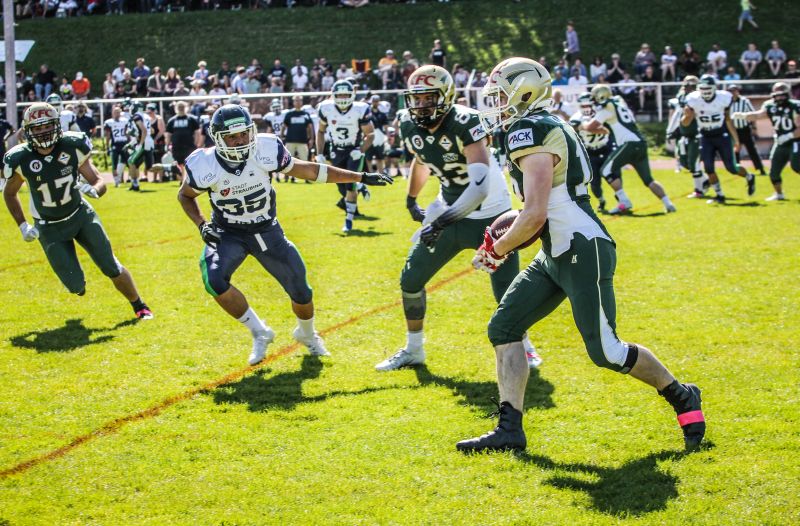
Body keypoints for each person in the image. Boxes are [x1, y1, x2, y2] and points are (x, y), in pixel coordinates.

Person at [456, 57, 705, 453]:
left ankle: (681, 394)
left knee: (606, 351)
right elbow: (532, 209)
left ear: (524, 91)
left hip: (580, 248)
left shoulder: (530, 128)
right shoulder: (540, 124)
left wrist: (497, 251)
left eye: (502, 94)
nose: (497, 103)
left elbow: (536, 212)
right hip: (557, 250)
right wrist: (495, 241)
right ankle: (509, 430)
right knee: (503, 328)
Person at [177, 104, 392, 365]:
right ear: (217, 138)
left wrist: (360, 176)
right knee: (214, 280)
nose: (240, 141)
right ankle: (260, 332)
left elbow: (311, 171)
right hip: (228, 232)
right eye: (232, 137)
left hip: (267, 230)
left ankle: (307, 333)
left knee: (301, 290)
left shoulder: (266, 149)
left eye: (244, 134)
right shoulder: (204, 164)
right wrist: (202, 225)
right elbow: (185, 195)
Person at [375, 65, 541, 372]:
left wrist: (438, 223)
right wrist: (411, 199)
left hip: (490, 216)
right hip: (448, 207)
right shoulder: (409, 125)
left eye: (428, 98)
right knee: (411, 280)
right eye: (417, 99)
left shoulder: (466, 121)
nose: (421, 106)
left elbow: (479, 190)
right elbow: (422, 159)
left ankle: (526, 347)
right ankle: (414, 350)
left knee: (506, 291)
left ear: (446, 96)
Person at [3, 103, 153, 320]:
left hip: (80, 215)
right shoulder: (20, 158)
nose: (43, 132)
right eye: (37, 128)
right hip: (48, 226)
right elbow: (9, 193)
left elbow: (98, 180)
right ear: (28, 131)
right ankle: (77, 283)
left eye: (47, 126)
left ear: (56, 126)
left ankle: (139, 305)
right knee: (75, 286)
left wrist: (94, 190)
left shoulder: (72, 146)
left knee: (111, 265)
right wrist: (22, 224)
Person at [582, 84, 676, 214]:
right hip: (640, 143)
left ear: (600, 97)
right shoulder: (620, 103)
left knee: (605, 170)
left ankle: (624, 201)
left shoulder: (606, 109)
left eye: (595, 98)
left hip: (629, 145)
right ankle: (668, 203)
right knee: (648, 179)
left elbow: (590, 127)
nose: (594, 101)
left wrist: (583, 125)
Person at [681, 75, 757, 204]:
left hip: (721, 135)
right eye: (702, 88)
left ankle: (749, 177)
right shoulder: (693, 99)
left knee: (731, 168)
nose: (705, 92)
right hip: (705, 136)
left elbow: (728, 119)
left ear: (714, 88)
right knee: (708, 168)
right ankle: (719, 195)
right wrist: (687, 116)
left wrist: (736, 140)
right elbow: (685, 123)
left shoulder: (724, 98)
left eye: (707, 88)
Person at [315, 80, 375, 233]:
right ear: (333, 95)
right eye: (339, 94)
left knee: (349, 185)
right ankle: (361, 186)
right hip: (336, 150)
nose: (342, 98)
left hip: (353, 151)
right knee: (340, 185)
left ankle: (348, 220)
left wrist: (360, 150)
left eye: (345, 94)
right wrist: (320, 153)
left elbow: (370, 134)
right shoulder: (326, 108)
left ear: (352, 94)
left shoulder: (359, 109)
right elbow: (320, 132)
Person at [732, 83, 800, 201]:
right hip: (780, 142)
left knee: (796, 166)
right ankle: (779, 194)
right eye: (777, 96)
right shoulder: (770, 105)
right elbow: (758, 115)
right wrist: (743, 116)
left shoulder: (795, 106)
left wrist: (788, 135)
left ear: (787, 94)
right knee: (774, 171)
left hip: (796, 141)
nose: (779, 98)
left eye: (781, 96)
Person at [569, 92, 619, 212]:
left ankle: (621, 200)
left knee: (614, 176)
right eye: (583, 106)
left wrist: (588, 127)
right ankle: (601, 200)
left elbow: (607, 130)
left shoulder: (601, 115)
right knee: (595, 183)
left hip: (606, 149)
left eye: (588, 105)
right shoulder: (576, 117)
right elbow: (573, 129)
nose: (586, 108)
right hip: (590, 152)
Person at [666, 76, 708, 198]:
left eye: (690, 85)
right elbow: (678, 115)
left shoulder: (700, 99)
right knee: (684, 162)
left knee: (694, 163)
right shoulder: (682, 97)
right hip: (684, 134)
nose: (686, 87)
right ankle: (706, 181)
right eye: (685, 84)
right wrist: (672, 130)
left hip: (696, 134)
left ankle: (699, 190)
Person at [728, 85, 766, 177]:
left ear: (738, 91)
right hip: (734, 130)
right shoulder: (728, 102)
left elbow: (752, 114)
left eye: (734, 91)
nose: (733, 93)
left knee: (751, 149)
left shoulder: (745, 101)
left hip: (745, 129)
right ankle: (737, 169)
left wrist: (754, 128)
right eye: (731, 91)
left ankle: (760, 169)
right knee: (736, 150)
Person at [282, 95, 315, 182]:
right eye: (296, 100)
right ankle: (288, 177)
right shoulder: (289, 114)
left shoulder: (305, 114)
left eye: (299, 100)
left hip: (303, 141)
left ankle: (307, 178)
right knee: (288, 161)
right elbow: (284, 126)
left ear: (302, 102)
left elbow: (310, 127)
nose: (298, 102)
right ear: (293, 102)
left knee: (304, 161)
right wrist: (282, 136)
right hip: (290, 141)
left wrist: (311, 139)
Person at [165, 101, 201, 178]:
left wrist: (197, 143)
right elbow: (168, 134)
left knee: (189, 163)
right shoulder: (172, 120)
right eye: (179, 107)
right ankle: (182, 180)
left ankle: (188, 179)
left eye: (182, 107)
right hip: (177, 146)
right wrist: (167, 145)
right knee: (179, 163)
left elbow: (197, 132)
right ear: (176, 108)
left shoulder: (192, 119)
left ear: (186, 108)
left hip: (189, 145)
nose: (181, 109)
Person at [123, 100, 150, 192]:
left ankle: (135, 184)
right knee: (134, 163)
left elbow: (144, 131)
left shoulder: (137, 116)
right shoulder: (143, 116)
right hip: (141, 142)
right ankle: (134, 184)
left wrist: (140, 144)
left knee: (131, 161)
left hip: (142, 143)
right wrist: (130, 143)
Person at [104, 105, 129, 187]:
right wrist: (107, 147)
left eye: (118, 112)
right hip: (115, 144)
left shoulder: (125, 121)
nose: (116, 114)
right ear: (112, 113)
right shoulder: (109, 122)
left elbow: (127, 133)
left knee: (127, 161)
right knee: (114, 164)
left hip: (124, 143)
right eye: (115, 112)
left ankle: (129, 178)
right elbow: (107, 136)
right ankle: (116, 181)